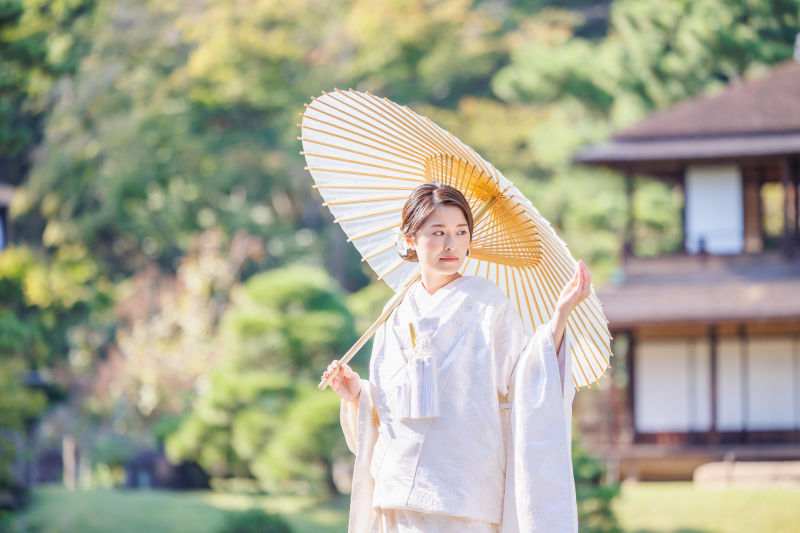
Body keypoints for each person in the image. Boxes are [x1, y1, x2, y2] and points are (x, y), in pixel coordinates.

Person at [322, 182, 592, 533]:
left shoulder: (488, 303)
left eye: (461, 232)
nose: (452, 244)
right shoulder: (395, 312)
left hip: (463, 494)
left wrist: (559, 316)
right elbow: (392, 404)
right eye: (438, 232)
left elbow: (526, 377)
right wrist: (359, 393)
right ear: (409, 239)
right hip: (396, 493)